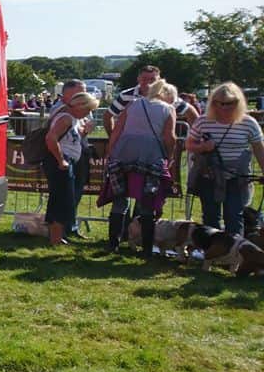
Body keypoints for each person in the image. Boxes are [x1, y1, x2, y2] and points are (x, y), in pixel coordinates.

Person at [102, 79, 179, 255]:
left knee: (119, 199)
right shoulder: (168, 109)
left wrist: (111, 152)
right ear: (167, 96)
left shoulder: (133, 104)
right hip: (150, 156)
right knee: (147, 201)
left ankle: (113, 243)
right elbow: (170, 137)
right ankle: (146, 248)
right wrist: (169, 157)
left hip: (123, 153)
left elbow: (117, 130)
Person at [186, 82, 264, 236]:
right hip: (209, 177)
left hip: (237, 179)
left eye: (230, 103)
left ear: (238, 102)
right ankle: (211, 248)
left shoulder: (249, 123)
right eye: (221, 103)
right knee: (210, 217)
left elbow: (259, 150)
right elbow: (189, 144)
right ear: (214, 103)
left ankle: (234, 248)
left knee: (234, 217)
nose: (225, 107)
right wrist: (203, 147)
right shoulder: (203, 121)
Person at [43, 92, 100, 245]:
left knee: (64, 199)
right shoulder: (66, 118)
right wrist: (61, 160)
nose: (88, 114)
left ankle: (57, 236)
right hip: (60, 162)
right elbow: (51, 138)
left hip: (67, 161)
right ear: (79, 106)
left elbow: (73, 139)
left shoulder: (74, 119)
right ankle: (55, 238)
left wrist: (85, 131)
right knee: (61, 200)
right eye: (87, 110)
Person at [106, 65, 198, 137]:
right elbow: (107, 116)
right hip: (131, 141)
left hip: (159, 142)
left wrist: (194, 137)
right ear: (138, 78)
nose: (148, 83)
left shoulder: (167, 96)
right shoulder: (125, 96)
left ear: (159, 81)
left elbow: (190, 112)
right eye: (144, 79)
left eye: (152, 79)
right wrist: (113, 137)